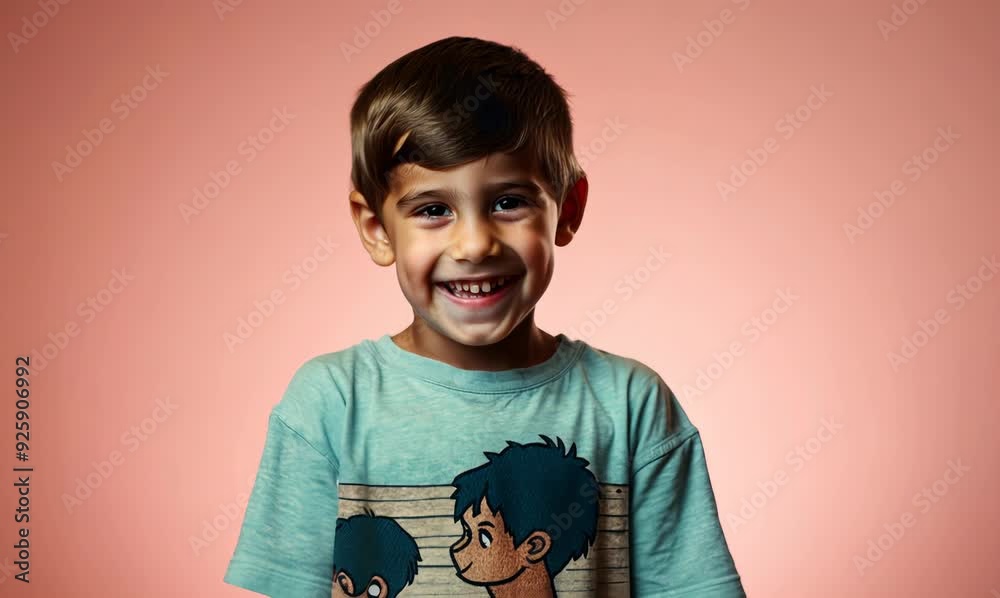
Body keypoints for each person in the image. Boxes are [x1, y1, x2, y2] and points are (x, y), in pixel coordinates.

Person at [224, 35, 745, 598]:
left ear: (566, 210)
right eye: (433, 210)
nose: (474, 244)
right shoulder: (331, 401)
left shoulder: (631, 405)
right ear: (376, 229)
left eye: (507, 202)